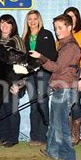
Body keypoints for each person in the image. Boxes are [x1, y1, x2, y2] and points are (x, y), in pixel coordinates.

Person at [30, 14, 81, 160]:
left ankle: (67, 156)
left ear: (69, 27)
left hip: (65, 88)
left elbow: (57, 68)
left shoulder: (70, 46)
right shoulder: (64, 45)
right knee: (54, 121)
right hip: (61, 86)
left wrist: (41, 58)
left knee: (61, 124)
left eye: (60, 28)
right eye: (55, 28)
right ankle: (52, 150)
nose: (57, 31)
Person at [21, 10, 56, 146]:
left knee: (42, 103)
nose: (32, 21)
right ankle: (34, 136)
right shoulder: (24, 37)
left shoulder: (47, 34)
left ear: (39, 20)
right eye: (29, 19)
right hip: (29, 74)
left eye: (35, 19)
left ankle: (44, 135)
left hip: (43, 72)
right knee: (33, 104)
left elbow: (52, 55)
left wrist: (40, 59)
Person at [0, 14, 26, 147]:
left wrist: (18, 83)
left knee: (12, 109)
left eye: (7, 23)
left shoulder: (17, 40)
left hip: (12, 81)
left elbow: (22, 63)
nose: (4, 26)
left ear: (12, 26)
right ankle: (3, 136)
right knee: (0, 110)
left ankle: (13, 138)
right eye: (2, 23)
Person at [63, 7, 81, 146]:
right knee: (64, 103)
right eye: (67, 17)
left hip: (78, 72)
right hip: (64, 73)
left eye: (72, 16)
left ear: (77, 18)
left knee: (75, 103)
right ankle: (66, 132)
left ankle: (75, 134)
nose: (70, 19)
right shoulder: (62, 35)